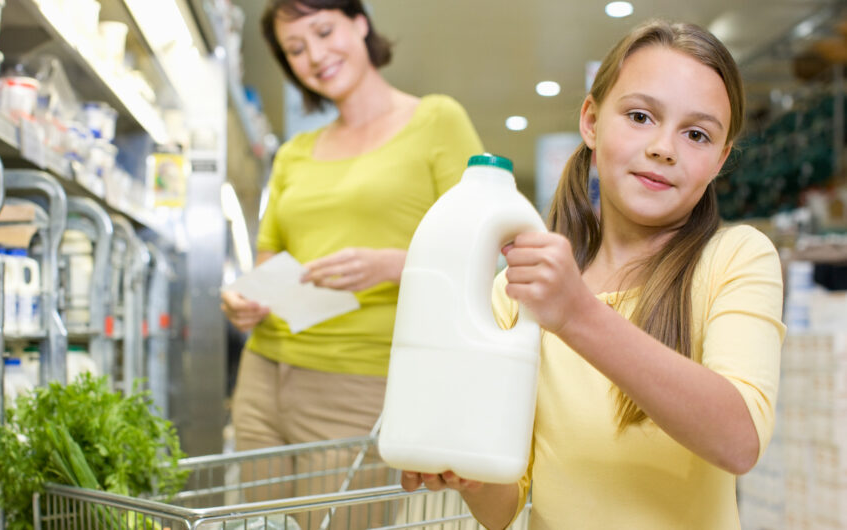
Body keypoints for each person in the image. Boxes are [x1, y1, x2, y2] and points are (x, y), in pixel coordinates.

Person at [401, 19, 786, 530]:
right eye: (640, 116)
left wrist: (577, 312)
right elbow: (503, 507)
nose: (664, 147)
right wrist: (463, 466)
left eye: (696, 134)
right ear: (591, 121)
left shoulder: (737, 258)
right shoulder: (517, 290)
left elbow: (739, 440)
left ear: (719, 160)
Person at [220, 0, 483, 504]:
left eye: (323, 31)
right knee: (258, 520)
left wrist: (390, 264)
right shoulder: (294, 152)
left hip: (362, 378)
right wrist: (244, 298)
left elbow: (483, 249)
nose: (314, 55)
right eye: (295, 48)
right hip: (263, 371)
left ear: (360, 23)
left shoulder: (436, 119)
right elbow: (270, 258)